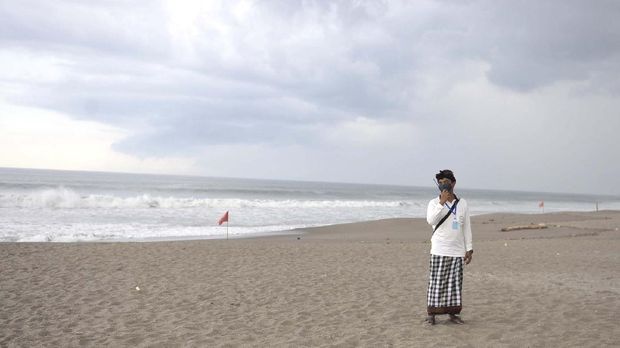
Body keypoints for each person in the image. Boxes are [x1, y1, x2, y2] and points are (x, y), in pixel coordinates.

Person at [425, 169, 473, 325]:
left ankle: (453, 314)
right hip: (439, 249)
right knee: (436, 283)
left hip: (457, 250)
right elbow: (431, 220)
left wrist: (469, 249)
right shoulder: (433, 203)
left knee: (454, 285)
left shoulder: (462, 203)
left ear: (453, 183)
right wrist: (441, 203)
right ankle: (432, 314)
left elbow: (466, 227)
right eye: (439, 182)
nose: (442, 184)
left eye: (445, 181)